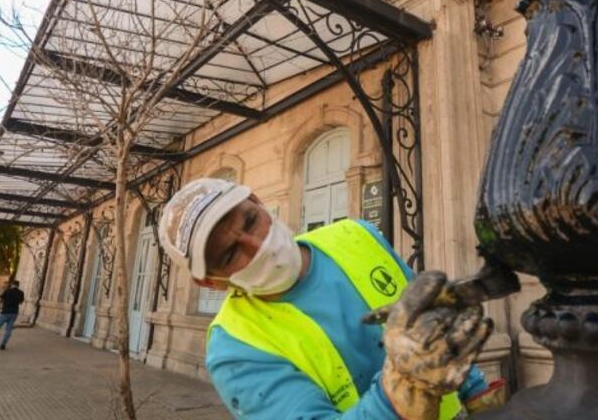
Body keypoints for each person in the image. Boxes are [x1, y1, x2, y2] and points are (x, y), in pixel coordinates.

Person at [159, 178, 506, 420]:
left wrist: (477, 393)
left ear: (258, 202)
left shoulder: (356, 235)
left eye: (251, 221)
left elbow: (434, 324)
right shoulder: (235, 349)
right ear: (210, 282)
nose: (258, 245)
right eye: (231, 253)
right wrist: (404, 385)